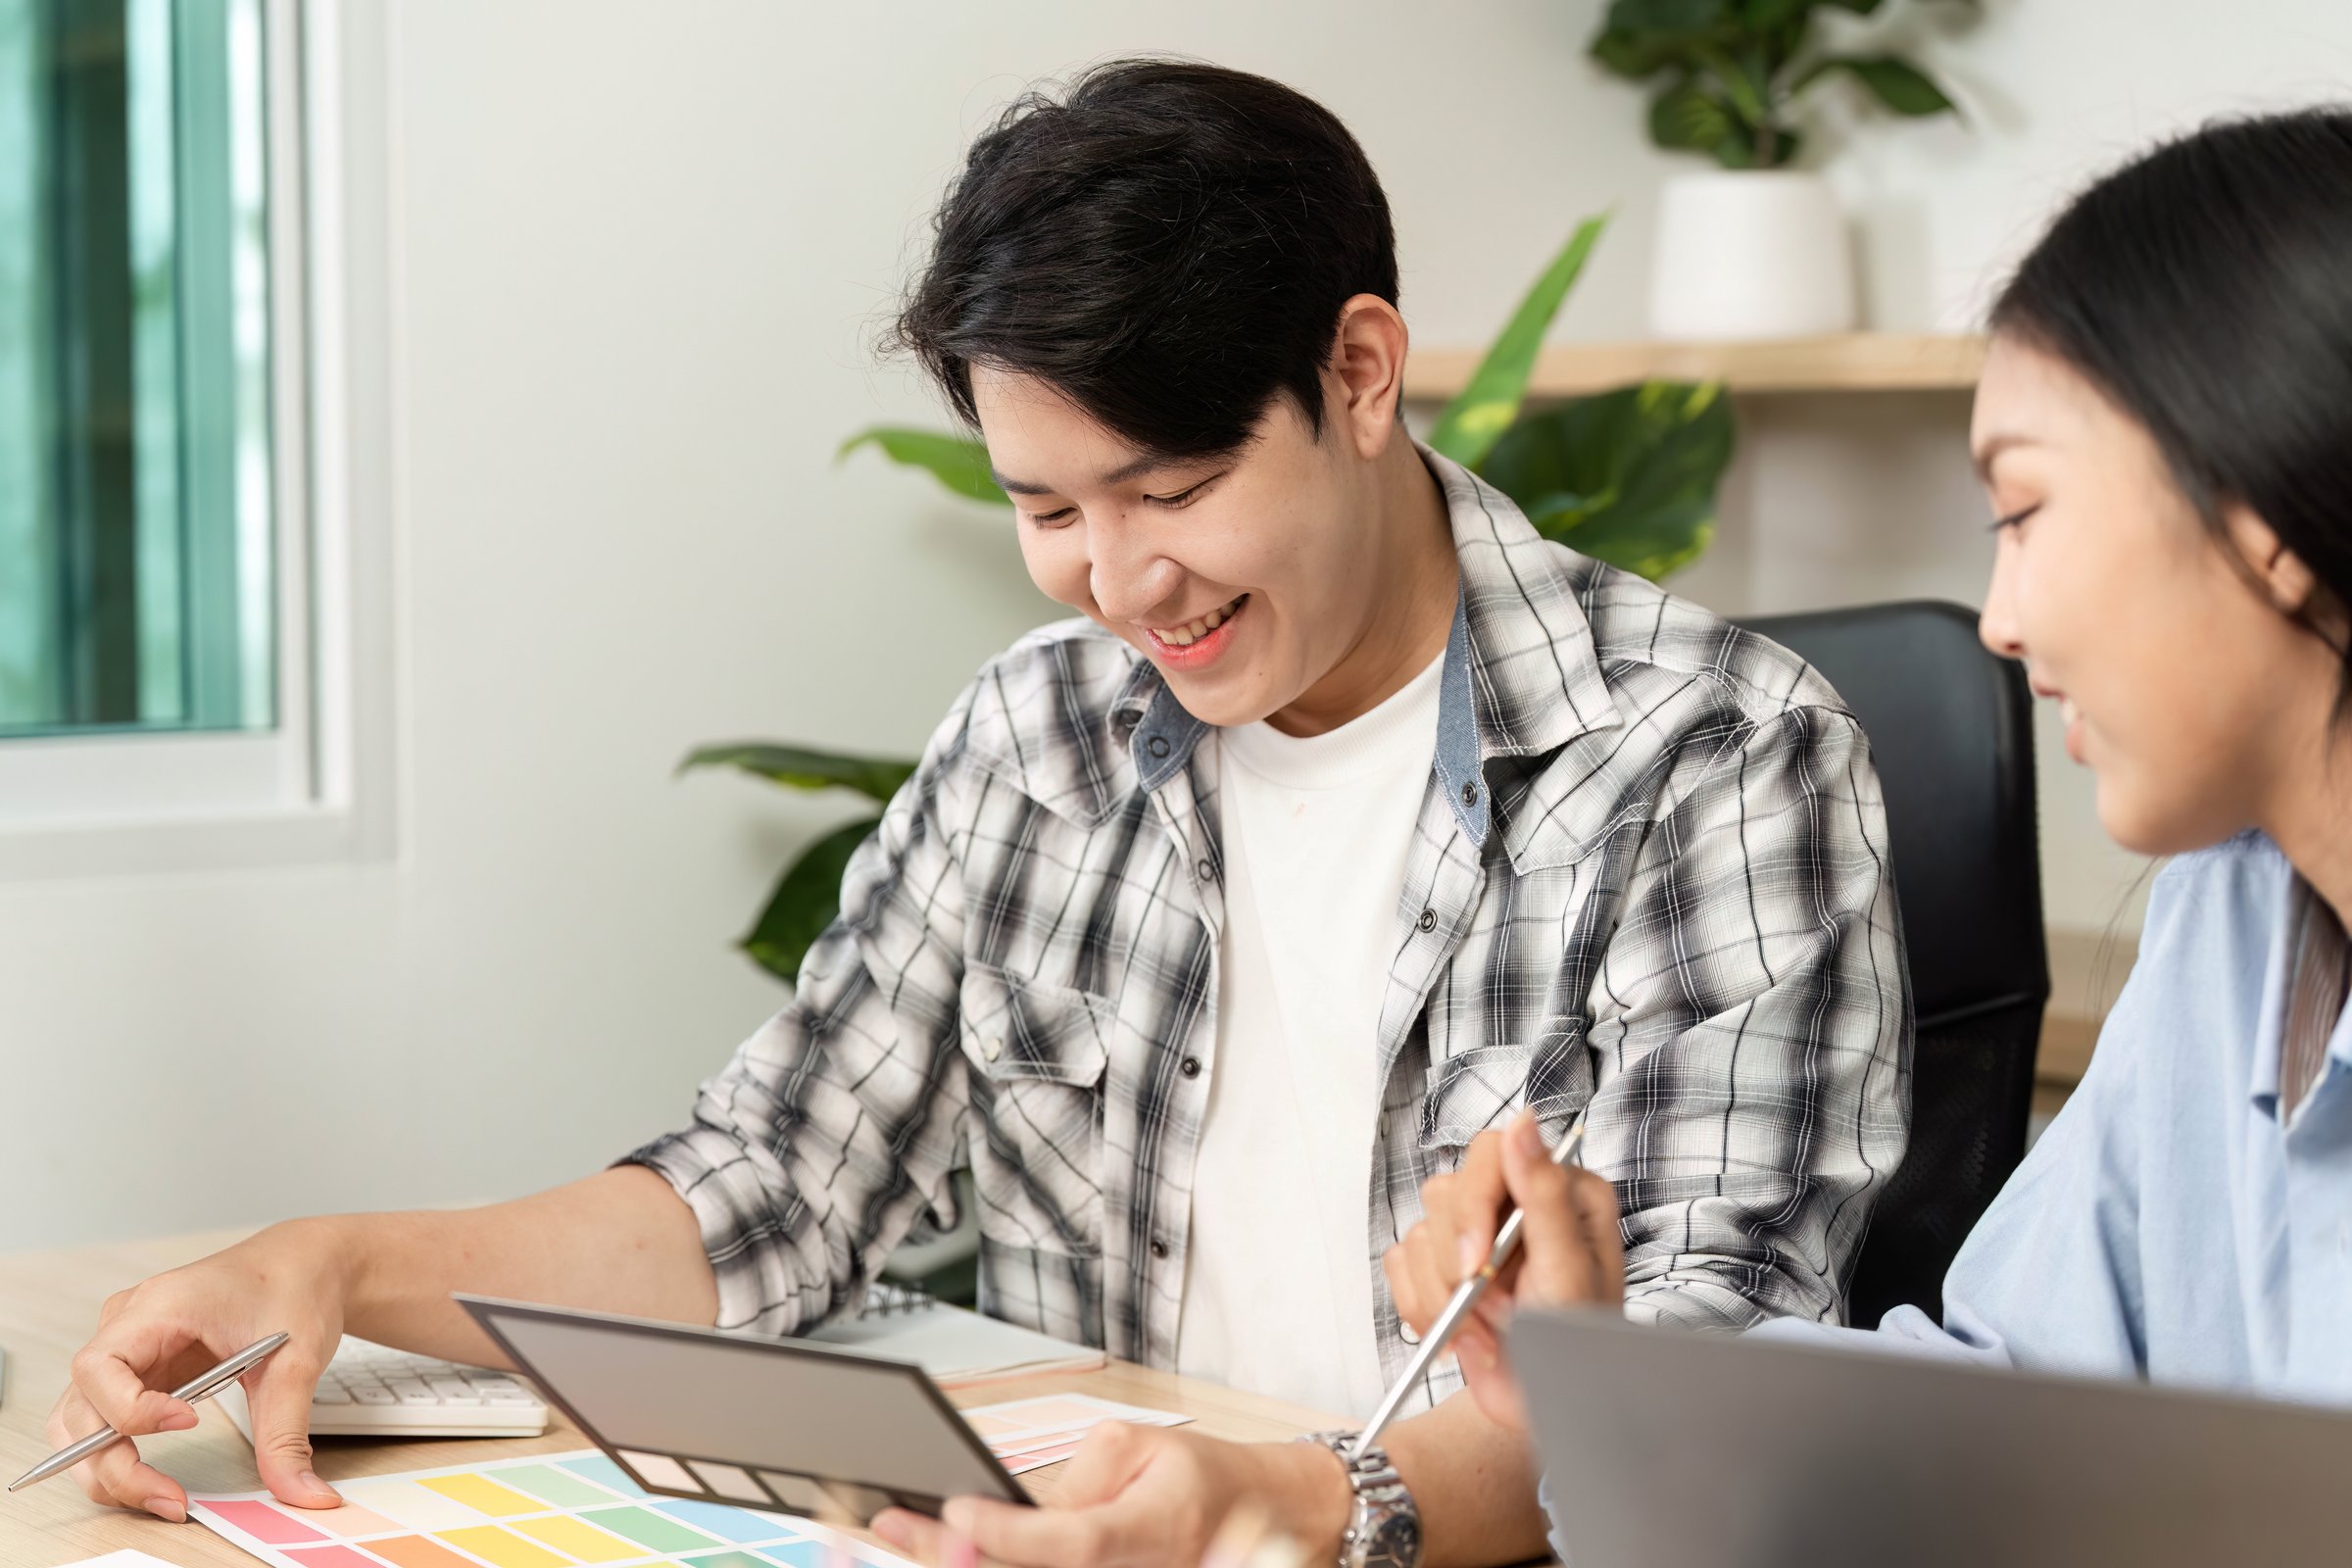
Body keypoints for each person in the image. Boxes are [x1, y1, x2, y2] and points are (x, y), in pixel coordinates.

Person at [53, 60, 1908, 1568]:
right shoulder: (1041, 734)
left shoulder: (1714, 759)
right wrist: (339, 1266)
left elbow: (1700, 1389)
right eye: (1045, 508)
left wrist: (1309, 1500)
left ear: (1357, 373)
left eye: (1169, 486)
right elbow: (775, 1181)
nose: (1118, 584)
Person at [1388, 106, 2352, 1463]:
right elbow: (2007, 1406)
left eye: (2023, 514)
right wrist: (1600, 1372)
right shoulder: (2232, 920)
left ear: (2270, 520)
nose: (1999, 624)